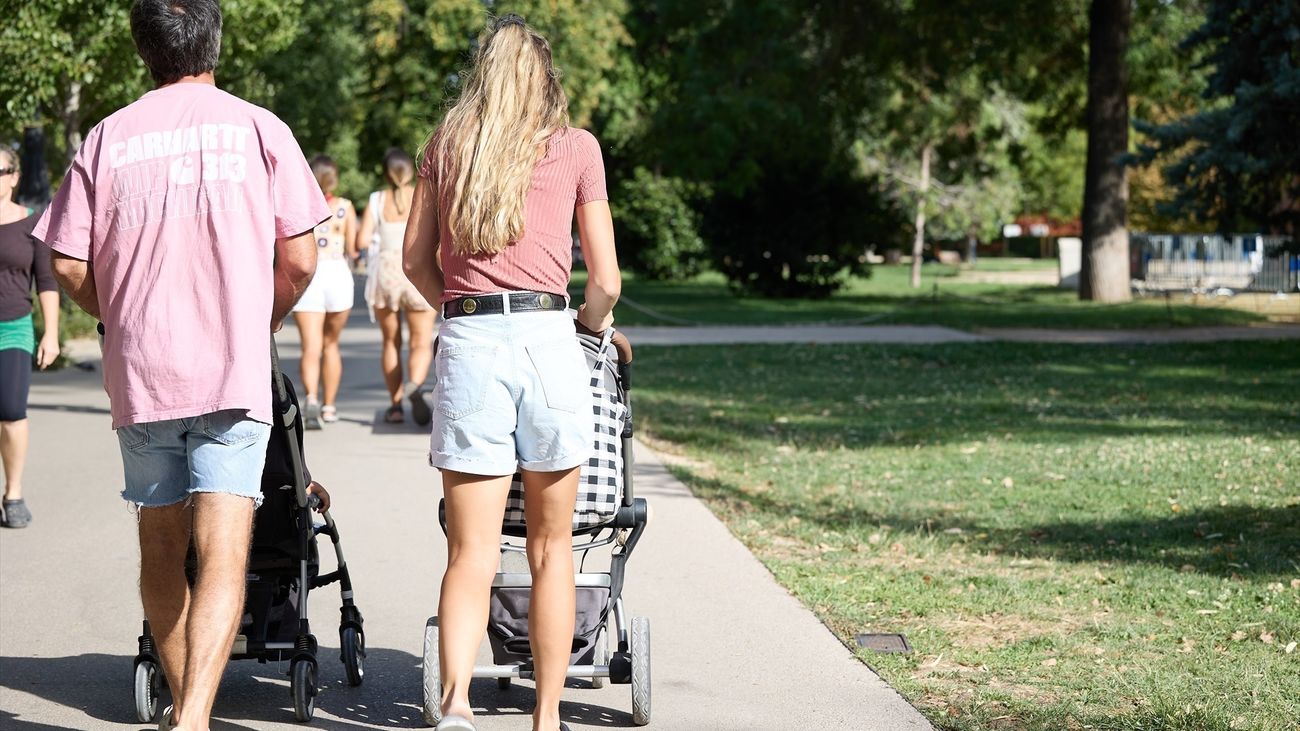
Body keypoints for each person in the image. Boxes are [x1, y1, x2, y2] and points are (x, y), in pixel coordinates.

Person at [36, 2, 326, 729]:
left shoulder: (107, 137)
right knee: (224, 553)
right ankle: (194, 715)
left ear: (144, 51)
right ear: (215, 42)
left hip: (143, 374)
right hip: (230, 373)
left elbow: (67, 261)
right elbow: (299, 255)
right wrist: (261, 318)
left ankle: (185, 703)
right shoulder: (261, 128)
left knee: (161, 549)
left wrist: (118, 316)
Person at [402, 14, 621, 731]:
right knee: (551, 548)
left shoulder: (445, 144)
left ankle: (457, 703)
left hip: (471, 341)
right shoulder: (577, 148)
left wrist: (463, 310)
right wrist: (589, 330)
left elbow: (414, 261)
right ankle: (548, 715)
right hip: (550, 338)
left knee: (469, 550)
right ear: (546, 79)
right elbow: (607, 281)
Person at [0, 146, 60, 529]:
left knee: (10, 412)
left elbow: (48, 280)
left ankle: (14, 492)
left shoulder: (32, 223)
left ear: (14, 175)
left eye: (0, 170)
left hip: (14, 327)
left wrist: (51, 334)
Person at [357, 148, 435, 425]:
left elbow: (362, 240)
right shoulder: (423, 195)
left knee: (390, 342)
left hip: (386, 274)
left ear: (386, 173)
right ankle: (415, 383)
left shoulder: (377, 200)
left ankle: (395, 406)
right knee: (420, 341)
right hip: (418, 271)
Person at [293, 155, 356, 429]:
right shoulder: (344, 207)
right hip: (337, 274)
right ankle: (329, 406)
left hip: (310, 275)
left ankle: (311, 398)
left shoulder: (299, 204)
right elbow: (353, 247)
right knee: (331, 345)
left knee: (311, 346)